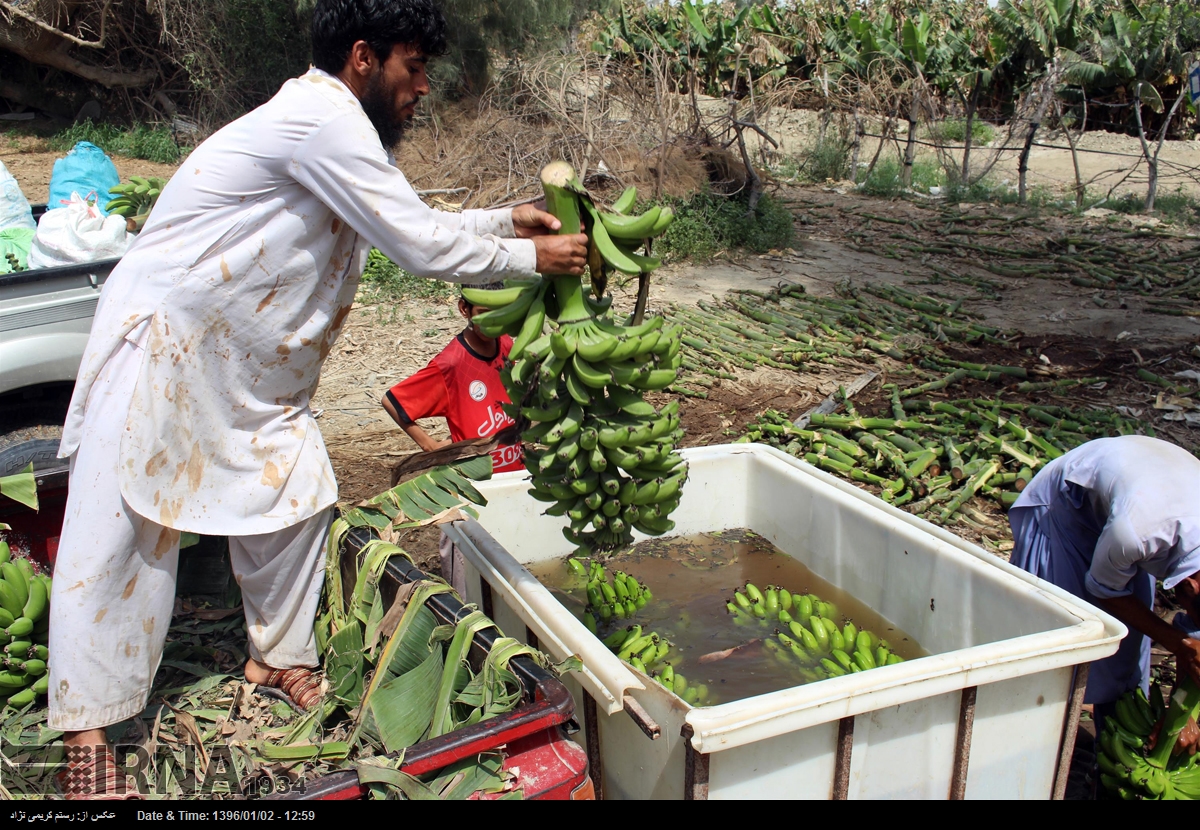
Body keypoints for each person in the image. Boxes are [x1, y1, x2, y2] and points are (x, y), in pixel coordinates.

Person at [48, 0, 587, 799]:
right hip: (169, 349)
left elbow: (401, 217)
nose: (425, 87)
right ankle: (87, 735)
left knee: (296, 494)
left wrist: (504, 218)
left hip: (247, 373)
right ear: (364, 58)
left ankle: (276, 657)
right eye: (415, 67)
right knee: (122, 533)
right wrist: (528, 254)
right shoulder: (319, 120)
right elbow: (417, 244)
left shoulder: (337, 128)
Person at [1009, 435, 1200, 745]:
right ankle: (1034, 747)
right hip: (1068, 506)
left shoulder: (1149, 539)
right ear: (1190, 587)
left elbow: (1194, 643)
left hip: (1137, 499)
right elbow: (1103, 590)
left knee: (1126, 653)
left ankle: (1108, 746)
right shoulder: (1137, 534)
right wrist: (1177, 644)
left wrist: (1184, 715)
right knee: (1057, 642)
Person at [382, 282, 523, 592]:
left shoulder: (511, 347)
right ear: (465, 310)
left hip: (513, 480)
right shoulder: (452, 363)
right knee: (469, 585)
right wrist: (431, 447)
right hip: (471, 492)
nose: (494, 322)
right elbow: (393, 401)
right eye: (485, 313)